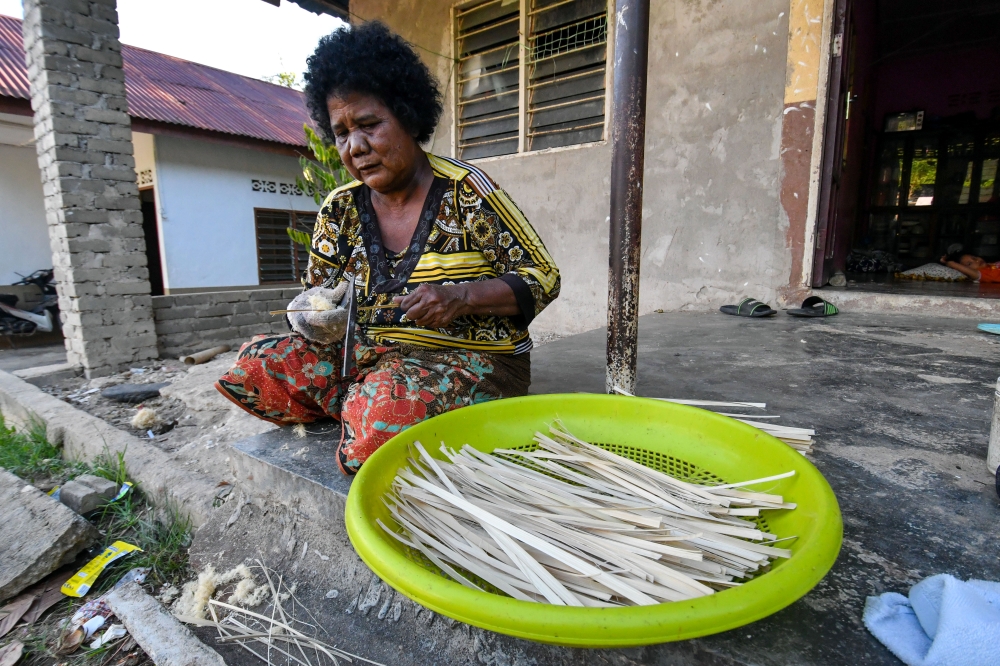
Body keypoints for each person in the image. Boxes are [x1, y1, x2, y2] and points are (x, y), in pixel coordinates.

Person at [216, 22, 560, 474]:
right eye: (341, 133)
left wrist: (460, 296)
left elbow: (542, 276)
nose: (355, 147)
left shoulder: (466, 192)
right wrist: (309, 316)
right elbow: (313, 300)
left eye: (369, 124)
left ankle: (373, 405)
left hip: (472, 362)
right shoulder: (339, 209)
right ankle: (369, 398)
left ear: (408, 115)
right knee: (254, 366)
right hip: (366, 357)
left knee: (382, 420)